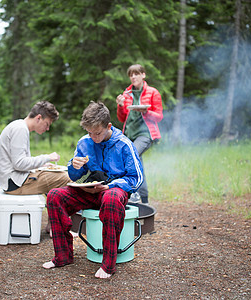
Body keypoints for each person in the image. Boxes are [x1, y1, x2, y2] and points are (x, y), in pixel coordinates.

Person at [42, 101, 143, 279]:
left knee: (111, 198)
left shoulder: (124, 145)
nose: (93, 137)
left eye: (97, 133)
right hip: (90, 191)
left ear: (108, 126)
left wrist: (111, 186)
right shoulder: (85, 142)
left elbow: (137, 178)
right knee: (54, 195)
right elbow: (74, 176)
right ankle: (63, 256)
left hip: (113, 192)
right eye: (89, 133)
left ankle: (108, 264)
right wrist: (73, 165)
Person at [0, 100, 71, 198]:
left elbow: (19, 161)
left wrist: (42, 164)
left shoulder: (19, 126)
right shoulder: (20, 129)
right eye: (47, 124)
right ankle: (75, 211)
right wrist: (47, 157)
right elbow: (19, 163)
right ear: (38, 118)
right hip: (15, 184)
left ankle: (56, 207)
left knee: (57, 174)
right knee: (66, 178)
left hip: (15, 180)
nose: (47, 129)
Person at [116, 64, 163, 204]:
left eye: (136, 74)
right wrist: (120, 105)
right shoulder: (127, 94)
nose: (133, 77)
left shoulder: (153, 92)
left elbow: (159, 116)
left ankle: (133, 192)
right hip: (130, 134)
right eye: (131, 75)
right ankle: (145, 199)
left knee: (132, 155)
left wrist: (145, 112)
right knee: (137, 164)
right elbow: (122, 118)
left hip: (145, 134)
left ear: (143, 75)